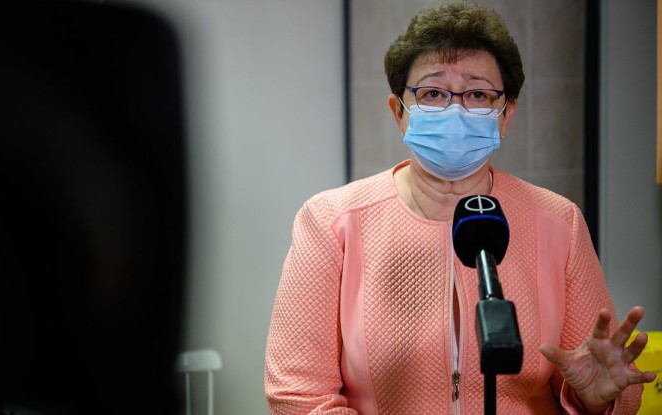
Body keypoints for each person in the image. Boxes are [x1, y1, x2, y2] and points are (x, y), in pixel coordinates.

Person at [263, 2, 656, 414]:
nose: (456, 109)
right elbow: (298, 395)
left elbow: (612, 386)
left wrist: (596, 399)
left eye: (478, 94)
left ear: (505, 115)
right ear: (400, 112)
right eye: (432, 93)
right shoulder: (330, 222)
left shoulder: (559, 223)